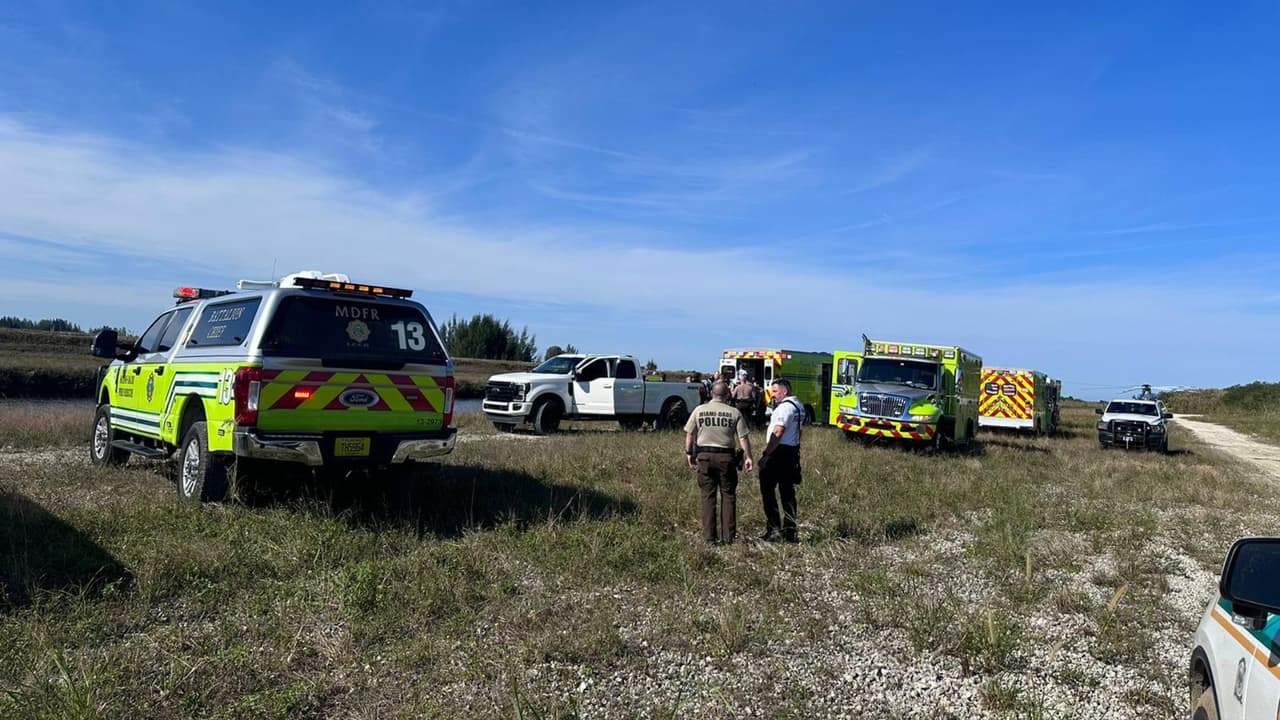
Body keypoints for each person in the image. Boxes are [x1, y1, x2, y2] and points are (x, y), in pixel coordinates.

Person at [683, 380, 753, 545]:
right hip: (726, 459)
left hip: (704, 458)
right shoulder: (734, 412)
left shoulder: (699, 410)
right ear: (728, 394)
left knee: (708, 497)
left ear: (711, 393)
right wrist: (748, 457)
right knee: (728, 496)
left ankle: (710, 538)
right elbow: (743, 438)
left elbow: (690, 434)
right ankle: (728, 537)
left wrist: (689, 453)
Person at [758, 378, 803, 543]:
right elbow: (799, 431)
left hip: (778, 453)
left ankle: (774, 529)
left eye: (775, 391)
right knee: (788, 493)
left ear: (785, 392)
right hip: (791, 452)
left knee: (768, 491)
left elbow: (778, 432)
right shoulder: (799, 406)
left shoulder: (784, 408)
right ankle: (790, 531)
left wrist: (766, 454)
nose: (772, 395)